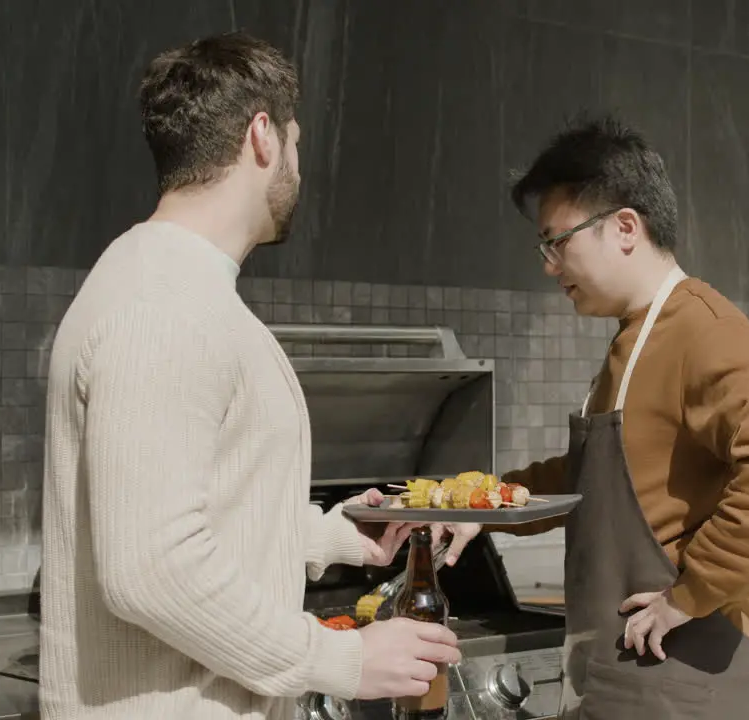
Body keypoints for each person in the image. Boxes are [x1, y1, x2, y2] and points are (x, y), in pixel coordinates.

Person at [39, 31, 468, 720]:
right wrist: (344, 661)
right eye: (296, 145)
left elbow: (201, 507)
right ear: (263, 138)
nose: (298, 166)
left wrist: (334, 536)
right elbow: (152, 570)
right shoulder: (164, 307)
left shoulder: (180, 290)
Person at [488, 115, 749, 719]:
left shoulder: (704, 331)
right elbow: (590, 480)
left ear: (623, 228)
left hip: (684, 676)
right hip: (620, 678)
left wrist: (687, 597)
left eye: (556, 241)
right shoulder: (632, 340)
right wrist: (487, 507)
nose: (548, 265)